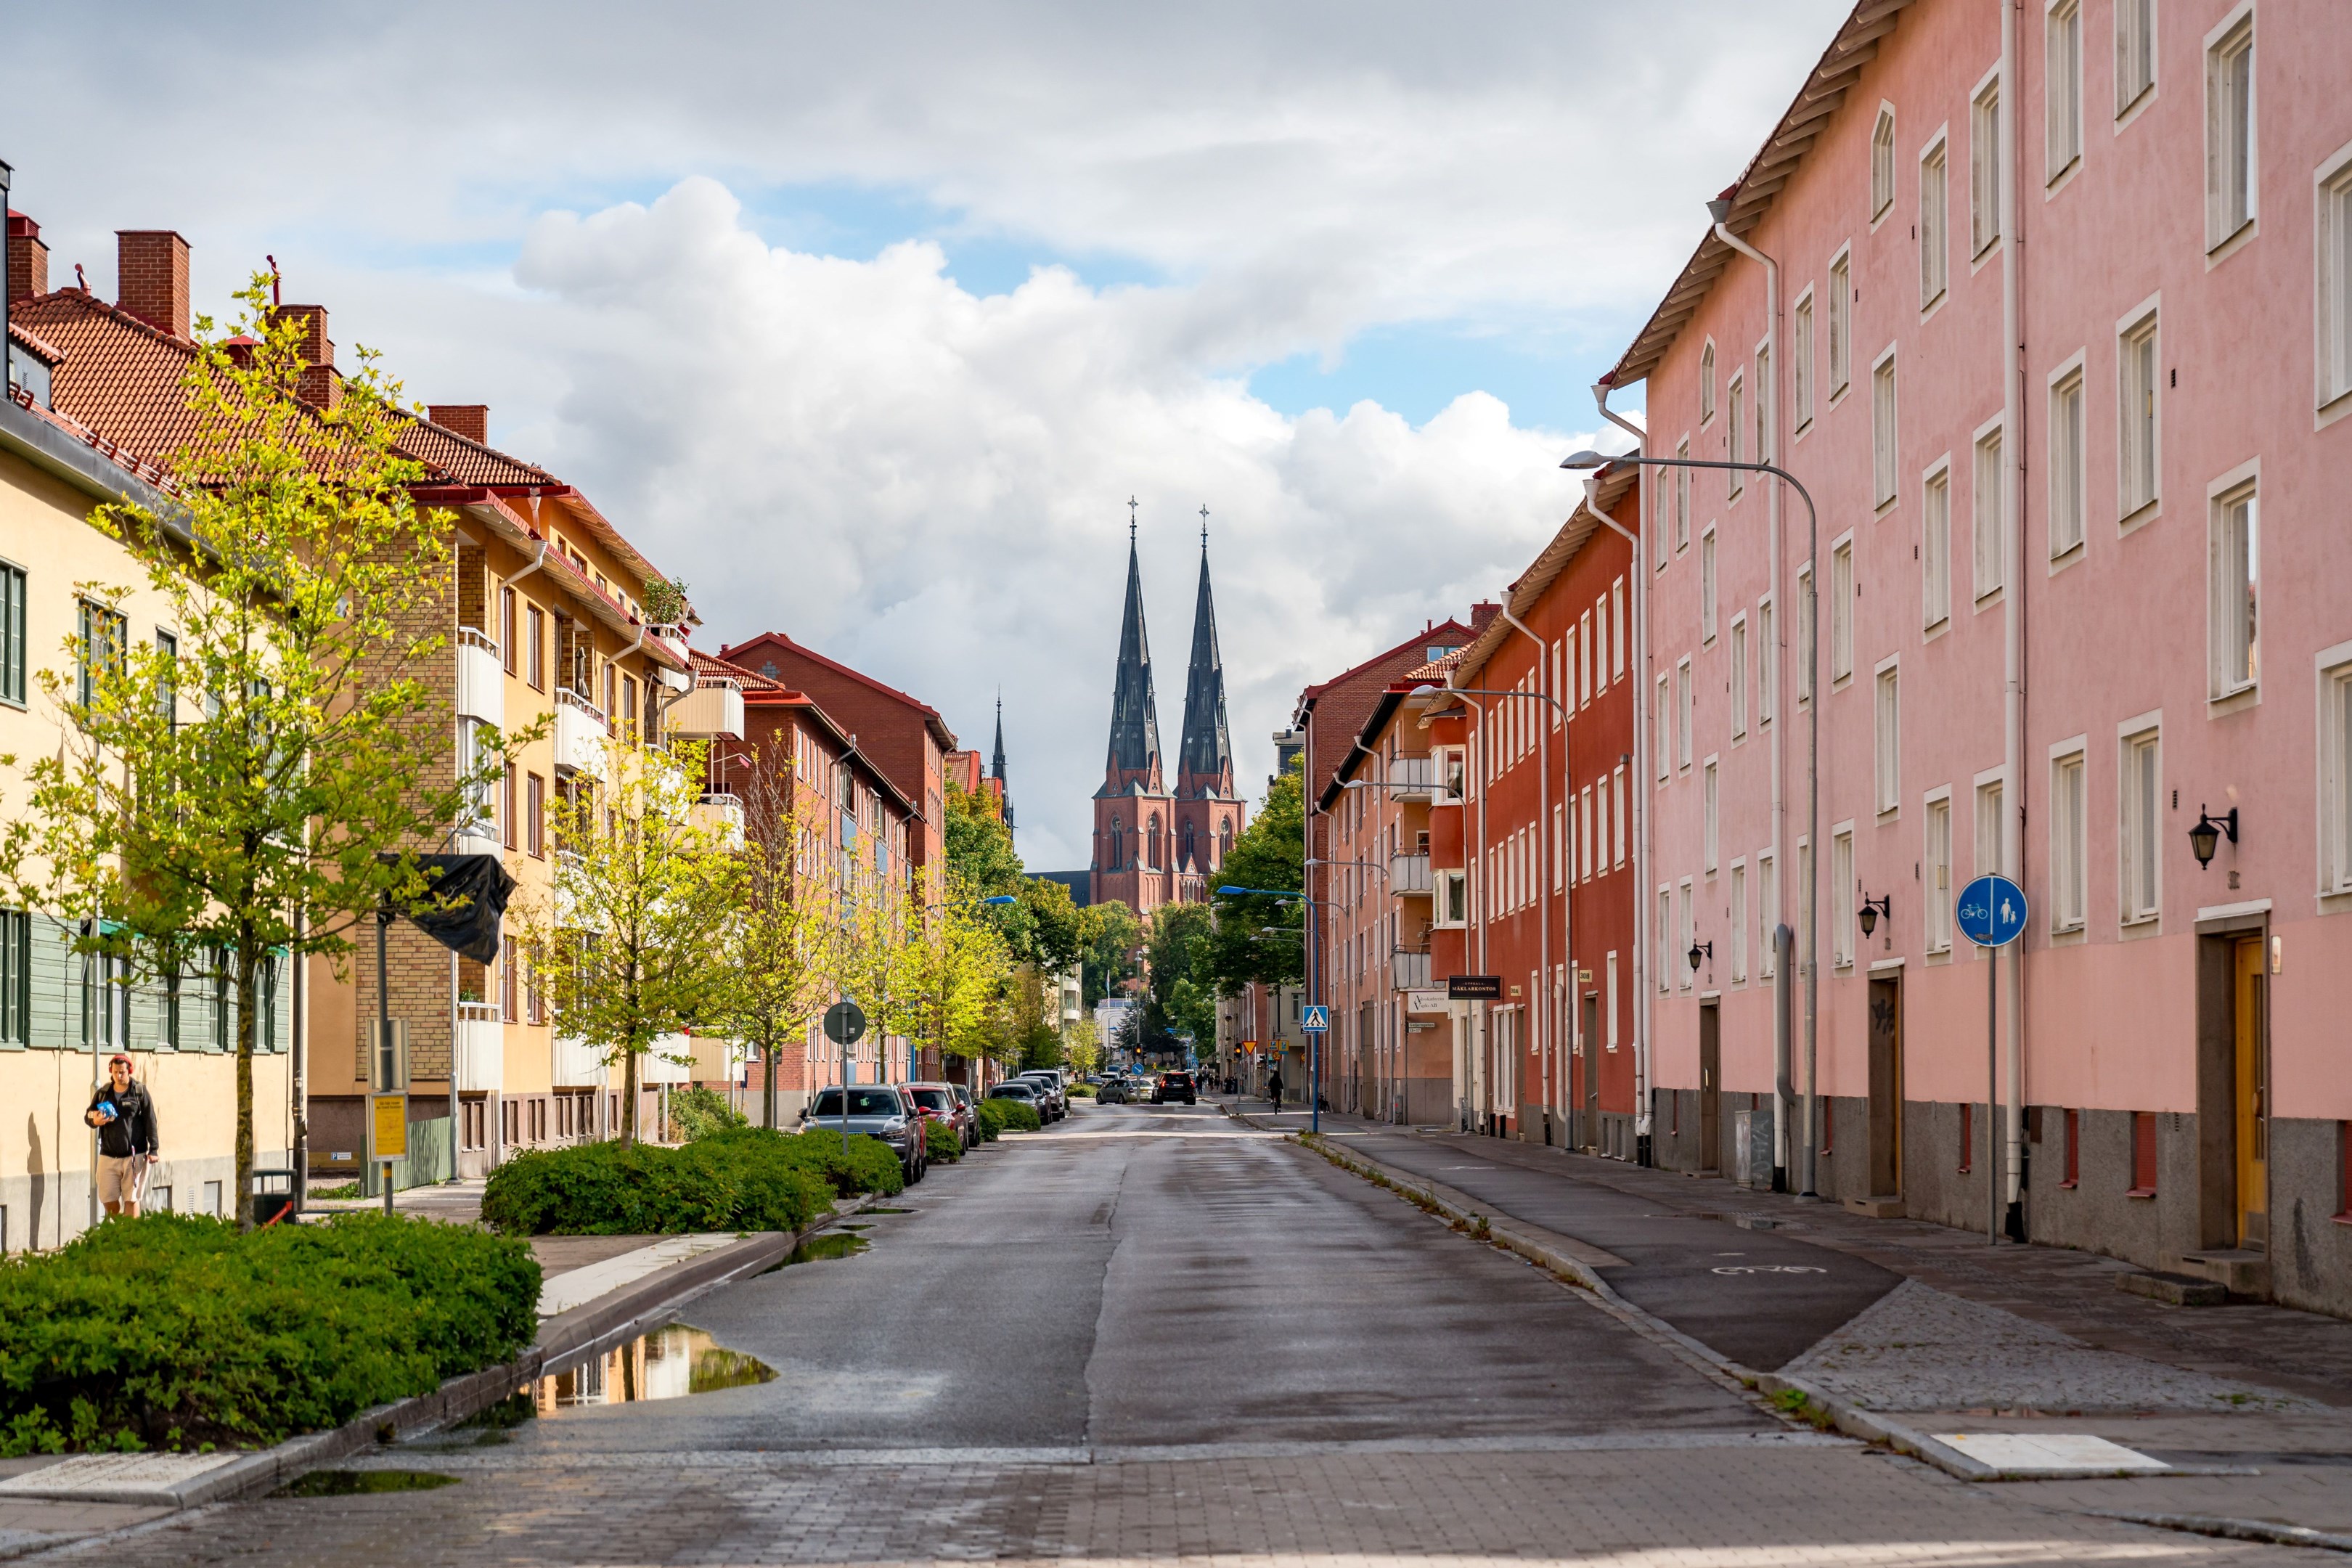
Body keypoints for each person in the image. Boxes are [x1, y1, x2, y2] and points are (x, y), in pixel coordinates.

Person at [86, 1053, 160, 1219]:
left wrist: (154, 1149)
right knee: (108, 1198)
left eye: (122, 1072)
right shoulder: (103, 1093)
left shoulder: (139, 1092)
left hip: (135, 1156)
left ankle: (130, 1237)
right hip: (108, 1155)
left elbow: (150, 1121)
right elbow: (88, 1116)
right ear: (111, 1072)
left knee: (131, 1199)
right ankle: (119, 1226)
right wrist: (96, 1120)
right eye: (115, 1072)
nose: (119, 1076)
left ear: (129, 1071)